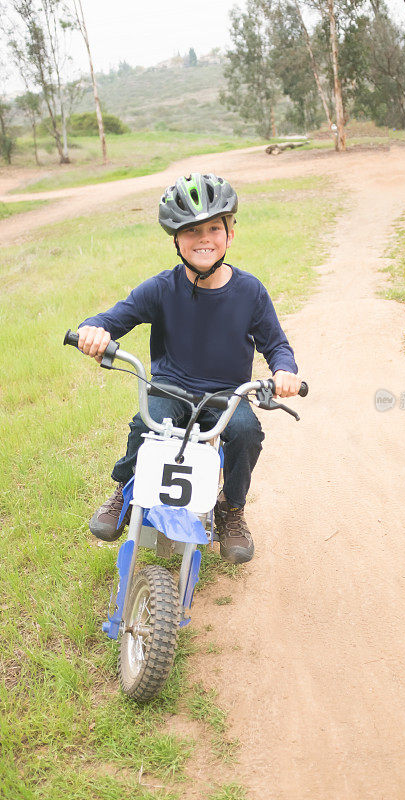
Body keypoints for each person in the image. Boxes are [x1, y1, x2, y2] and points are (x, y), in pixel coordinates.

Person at [77, 173, 301, 564]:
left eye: (215, 227)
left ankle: (231, 509)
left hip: (226, 394)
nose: (204, 238)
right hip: (171, 387)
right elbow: (113, 317)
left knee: (247, 432)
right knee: (146, 424)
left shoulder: (250, 292)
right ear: (176, 240)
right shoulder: (161, 289)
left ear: (230, 234)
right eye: (191, 230)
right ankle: (125, 491)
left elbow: (277, 345)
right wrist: (93, 332)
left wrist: (284, 371)